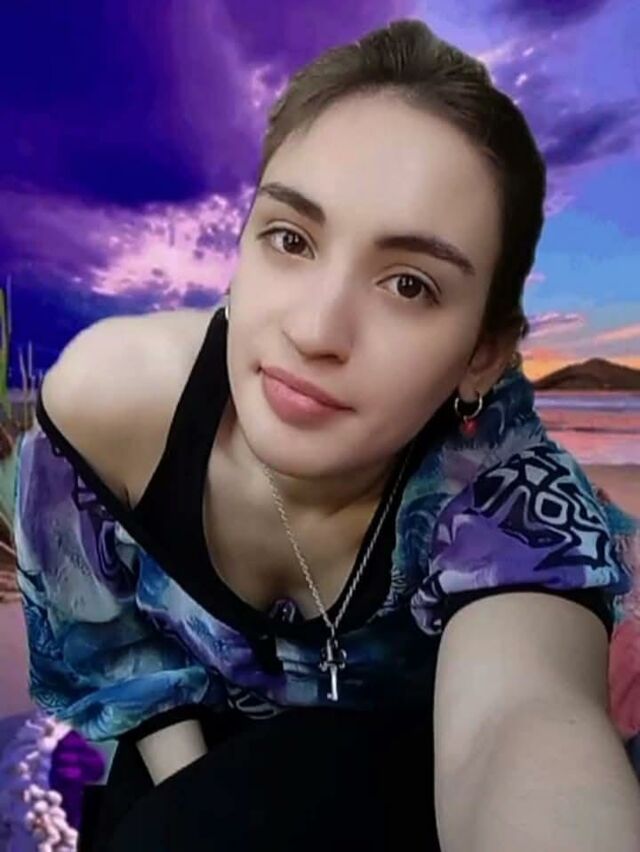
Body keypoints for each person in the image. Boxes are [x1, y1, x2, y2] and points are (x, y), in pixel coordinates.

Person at [13, 17, 640, 852]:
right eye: (291, 239)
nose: (315, 330)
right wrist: (201, 803)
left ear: (482, 353)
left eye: (409, 285)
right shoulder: (112, 403)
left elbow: (520, 722)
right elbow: (114, 647)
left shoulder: (509, 495)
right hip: (184, 751)